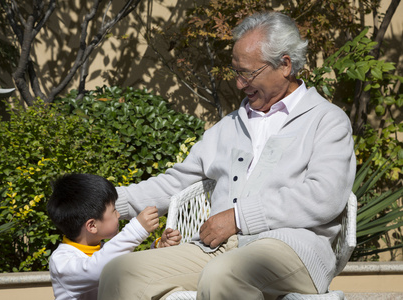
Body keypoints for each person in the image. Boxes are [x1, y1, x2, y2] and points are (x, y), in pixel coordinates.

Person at [98, 11, 356, 300]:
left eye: (248, 73)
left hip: (293, 248)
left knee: (224, 274)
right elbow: (174, 183)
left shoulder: (326, 120)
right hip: (216, 249)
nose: (239, 84)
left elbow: (324, 195)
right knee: (121, 273)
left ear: (285, 65)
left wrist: (238, 218)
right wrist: (102, 204)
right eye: (236, 72)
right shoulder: (228, 127)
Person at [47, 173, 182, 300]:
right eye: (114, 211)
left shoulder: (103, 249)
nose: (118, 215)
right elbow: (97, 269)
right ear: (92, 226)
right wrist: (136, 230)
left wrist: (158, 248)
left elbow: (131, 267)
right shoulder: (61, 261)